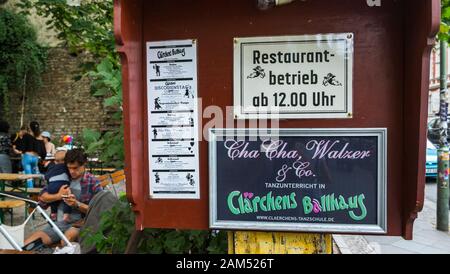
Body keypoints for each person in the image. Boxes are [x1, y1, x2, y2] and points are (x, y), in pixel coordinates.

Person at [24, 148, 102, 247]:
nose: (72, 171)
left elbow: (99, 211)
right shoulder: (62, 176)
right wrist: (58, 196)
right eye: (69, 168)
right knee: (28, 244)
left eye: (75, 168)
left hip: (81, 223)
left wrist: (76, 204)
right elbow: (42, 198)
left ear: (84, 164)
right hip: (59, 224)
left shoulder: (93, 182)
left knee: (65, 240)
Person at [42, 149, 71, 222]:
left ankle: (53, 213)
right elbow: (70, 176)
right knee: (67, 198)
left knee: (53, 201)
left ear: (55, 160)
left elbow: (46, 176)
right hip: (63, 185)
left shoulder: (51, 167)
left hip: (51, 186)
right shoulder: (66, 167)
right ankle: (66, 214)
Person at [21, 121, 46, 187]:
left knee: (29, 176)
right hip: (35, 158)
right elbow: (43, 151)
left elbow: (22, 148)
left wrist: (23, 152)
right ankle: (41, 183)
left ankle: (30, 193)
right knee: (34, 174)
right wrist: (43, 158)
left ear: (30, 127)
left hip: (27, 157)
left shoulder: (26, 135)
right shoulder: (40, 138)